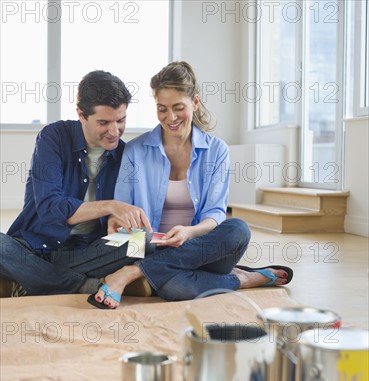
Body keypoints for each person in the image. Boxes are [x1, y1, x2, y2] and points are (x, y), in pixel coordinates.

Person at [88, 61, 293, 309]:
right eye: (162, 108)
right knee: (178, 288)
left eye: (178, 107)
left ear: (194, 103)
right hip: (150, 249)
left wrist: (188, 232)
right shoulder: (135, 151)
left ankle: (134, 273)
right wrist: (121, 223)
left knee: (238, 229)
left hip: (200, 250)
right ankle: (243, 278)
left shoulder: (217, 150)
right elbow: (123, 208)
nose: (170, 117)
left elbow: (215, 214)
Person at [0, 70, 153, 298]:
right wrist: (110, 206)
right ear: (81, 114)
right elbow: (51, 209)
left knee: (143, 241)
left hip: (87, 251)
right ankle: (85, 286)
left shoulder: (124, 154)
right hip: (35, 246)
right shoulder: (53, 136)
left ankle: (28, 280)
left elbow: (125, 219)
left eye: (121, 120)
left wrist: (118, 221)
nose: (114, 132)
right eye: (104, 122)